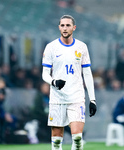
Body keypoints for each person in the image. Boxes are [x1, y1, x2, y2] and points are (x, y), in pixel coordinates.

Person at [42, 15, 97, 150]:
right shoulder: (51, 47)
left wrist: (93, 99)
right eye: (62, 25)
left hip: (76, 97)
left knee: (77, 138)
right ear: (59, 27)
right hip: (57, 98)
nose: (65, 28)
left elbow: (87, 74)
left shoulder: (82, 47)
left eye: (68, 25)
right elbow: (44, 73)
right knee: (56, 141)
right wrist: (54, 82)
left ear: (74, 28)